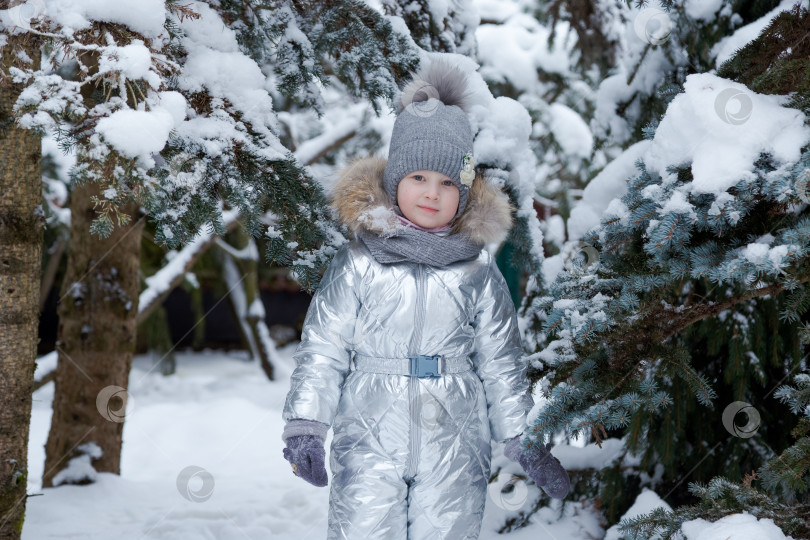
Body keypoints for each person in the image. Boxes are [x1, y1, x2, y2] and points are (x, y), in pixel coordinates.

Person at [281, 59, 570, 540]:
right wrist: (306, 424)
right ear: (395, 181)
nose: (432, 194)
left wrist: (523, 438)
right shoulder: (357, 262)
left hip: (456, 437)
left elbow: (501, 361)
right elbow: (323, 349)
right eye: (418, 179)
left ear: (464, 192)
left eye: (447, 184)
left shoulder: (478, 270)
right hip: (369, 429)